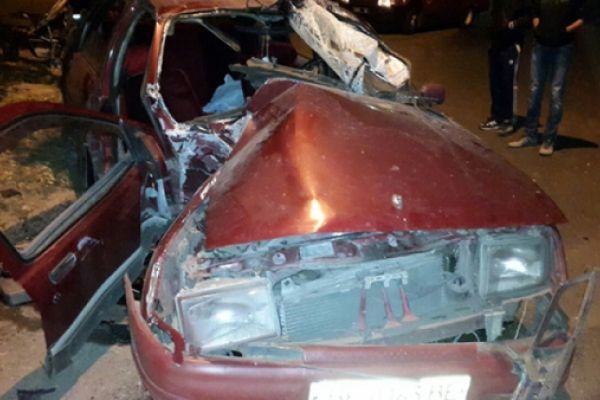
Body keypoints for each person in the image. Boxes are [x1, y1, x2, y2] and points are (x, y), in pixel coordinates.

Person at [508, 0, 585, 156]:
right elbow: (535, 10)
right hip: (541, 45)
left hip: (563, 47)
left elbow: (585, 16)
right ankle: (530, 135)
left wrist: (565, 30)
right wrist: (538, 27)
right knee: (535, 90)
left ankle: (549, 139)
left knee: (556, 93)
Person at [479, 0, 531, 134]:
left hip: (510, 44)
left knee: (508, 83)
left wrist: (512, 25)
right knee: (495, 82)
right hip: (496, 43)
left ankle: (509, 119)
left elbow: (529, 16)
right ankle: (497, 117)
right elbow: (493, 15)